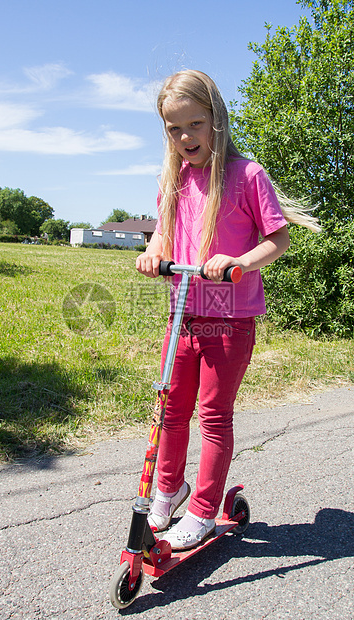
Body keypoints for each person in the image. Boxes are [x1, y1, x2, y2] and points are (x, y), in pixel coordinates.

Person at [136, 69, 320, 551]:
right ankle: (169, 489)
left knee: (213, 414)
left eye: (193, 124)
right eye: (173, 128)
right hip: (184, 316)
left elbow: (277, 239)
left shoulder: (247, 175)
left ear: (215, 119)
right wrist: (153, 253)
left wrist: (239, 261)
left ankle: (202, 509)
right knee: (171, 409)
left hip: (229, 319)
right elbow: (162, 233)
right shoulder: (171, 182)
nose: (184, 137)